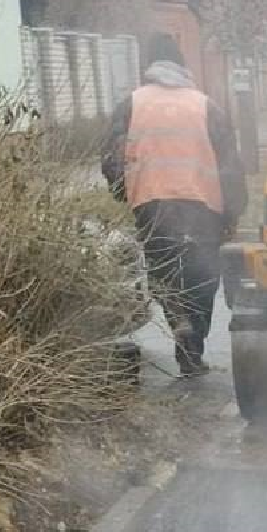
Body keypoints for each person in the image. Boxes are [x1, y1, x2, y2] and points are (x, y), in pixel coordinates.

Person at [102, 34, 247, 378]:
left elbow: (111, 159)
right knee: (202, 276)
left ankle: (177, 318)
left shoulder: (131, 105)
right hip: (202, 207)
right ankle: (192, 352)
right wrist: (232, 213)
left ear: (148, 66)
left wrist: (125, 192)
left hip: (152, 205)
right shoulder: (206, 105)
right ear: (183, 66)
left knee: (165, 271)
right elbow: (230, 167)